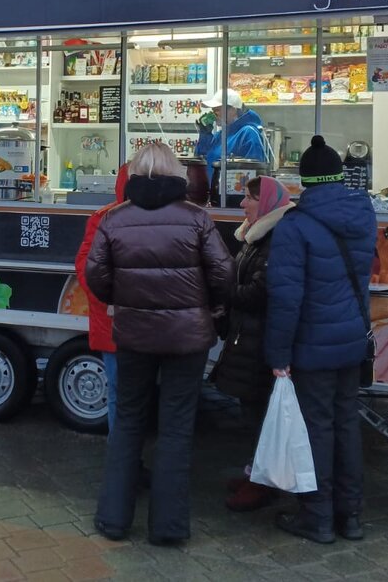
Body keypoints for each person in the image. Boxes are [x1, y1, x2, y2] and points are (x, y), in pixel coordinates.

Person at [87, 142, 233, 546]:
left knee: (128, 424)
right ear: (177, 174)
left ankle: (114, 520)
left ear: (134, 173)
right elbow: (224, 273)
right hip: (188, 339)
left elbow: (95, 276)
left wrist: (123, 298)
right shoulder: (196, 218)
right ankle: (168, 528)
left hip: (133, 335)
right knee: (176, 428)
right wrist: (209, 304)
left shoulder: (114, 220)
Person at [264, 135, 377, 544]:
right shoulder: (363, 213)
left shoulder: (294, 226)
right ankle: (352, 516)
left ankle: (318, 518)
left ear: (305, 181)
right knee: (347, 425)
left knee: (317, 429)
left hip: (312, 346)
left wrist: (277, 353)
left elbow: (285, 296)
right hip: (351, 338)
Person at [210, 175, 294, 512]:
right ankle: (255, 474)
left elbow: (261, 292)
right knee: (253, 413)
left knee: (259, 414)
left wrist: (221, 291)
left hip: (261, 342)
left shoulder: (274, 238)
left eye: (249, 198)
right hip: (250, 336)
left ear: (268, 203)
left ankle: (262, 484)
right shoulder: (255, 235)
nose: (242, 203)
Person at [73, 164, 130, 434]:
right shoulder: (104, 218)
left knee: (126, 395)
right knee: (123, 393)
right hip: (118, 325)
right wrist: (109, 301)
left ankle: (123, 461)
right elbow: (87, 268)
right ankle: (123, 461)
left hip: (134, 325)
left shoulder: (104, 217)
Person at [195, 88, 268, 165]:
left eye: (217, 110)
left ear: (233, 110)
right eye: (213, 110)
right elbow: (201, 160)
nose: (213, 114)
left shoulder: (248, 133)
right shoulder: (220, 135)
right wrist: (205, 135)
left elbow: (253, 169)